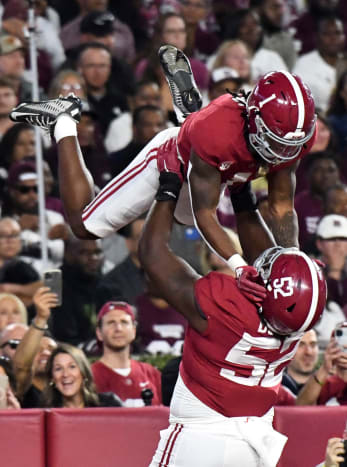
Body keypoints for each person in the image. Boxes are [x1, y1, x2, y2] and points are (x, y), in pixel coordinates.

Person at [10, 46, 317, 296]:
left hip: (222, 164)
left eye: (291, 145)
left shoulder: (292, 136)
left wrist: (292, 257)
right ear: (254, 116)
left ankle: (191, 116)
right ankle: (64, 120)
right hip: (174, 160)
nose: (282, 153)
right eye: (275, 141)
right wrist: (237, 265)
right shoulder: (219, 132)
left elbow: (280, 206)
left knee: (261, 244)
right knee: (85, 227)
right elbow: (205, 214)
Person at [137, 151, 327, 466]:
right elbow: (270, 259)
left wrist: (168, 186)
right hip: (254, 441)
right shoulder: (299, 317)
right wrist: (241, 193)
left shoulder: (228, 308)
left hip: (202, 436)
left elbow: (153, 255)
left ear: (264, 292)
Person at [92, 301, 162, 407]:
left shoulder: (151, 374)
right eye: (111, 323)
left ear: (134, 331)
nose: (118, 329)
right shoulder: (90, 375)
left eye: (124, 322)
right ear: (99, 333)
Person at [41, 342, 123, 408]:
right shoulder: (46, 413)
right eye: (58, 369)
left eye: (72, 367)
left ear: (84, 373)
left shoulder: (109, 404)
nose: (65, 374)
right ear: (52, 378)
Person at [281, 329, 319, 396]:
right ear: (286, 350)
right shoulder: (274, 387)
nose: (308, 352)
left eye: (313, 344)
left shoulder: (329, 387)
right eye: (300, 345)